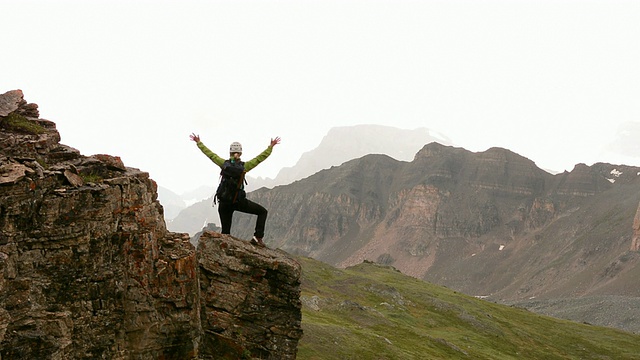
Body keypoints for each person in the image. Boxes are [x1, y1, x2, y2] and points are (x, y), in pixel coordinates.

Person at [190, 133, 281, 247]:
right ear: (241, 153)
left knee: (225, 234)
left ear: (230, 153)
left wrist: (199, 142)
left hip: (223, 203)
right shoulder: (244, 167)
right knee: (262, 212)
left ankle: (221, 257)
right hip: (237, 201)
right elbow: (259, 159)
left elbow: (211, 155)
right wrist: (270, 147)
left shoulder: (223, 164)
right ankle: (258, 237)